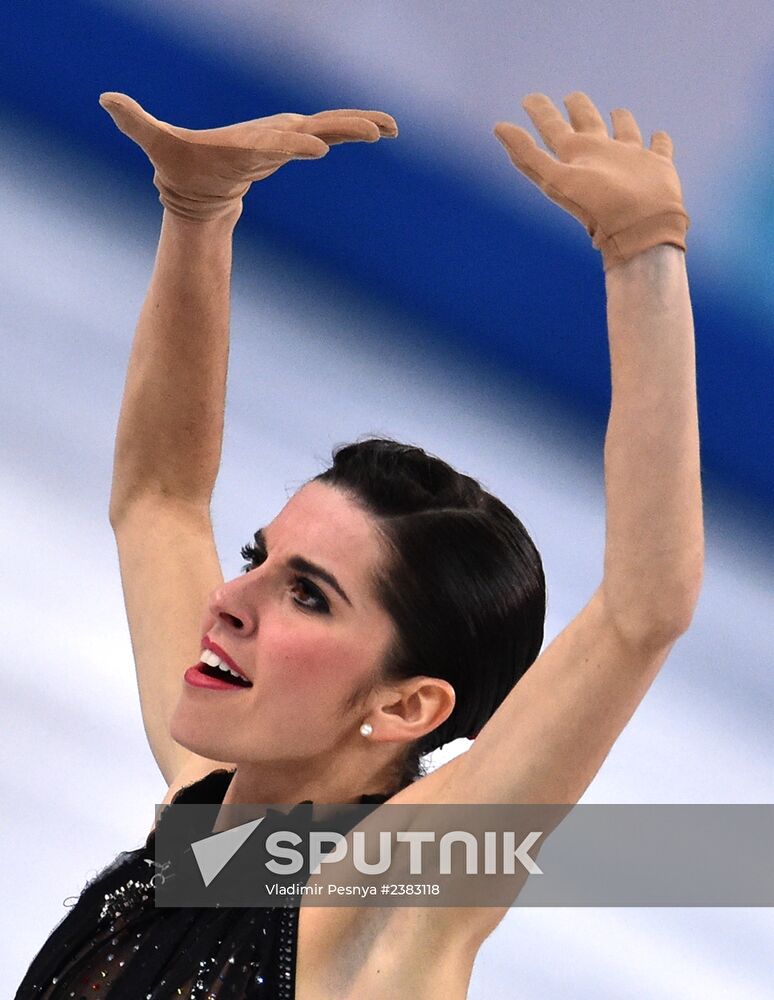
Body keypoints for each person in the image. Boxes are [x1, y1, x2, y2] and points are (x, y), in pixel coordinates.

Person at [15, 88, 703, 999]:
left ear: (410, 706)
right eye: (261, 561)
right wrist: (198, 214)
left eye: (308, 594)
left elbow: (640, 613)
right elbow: (161, 499)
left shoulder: (387, 894)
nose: (229, 600)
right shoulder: (218, 833)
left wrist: (643, 254)